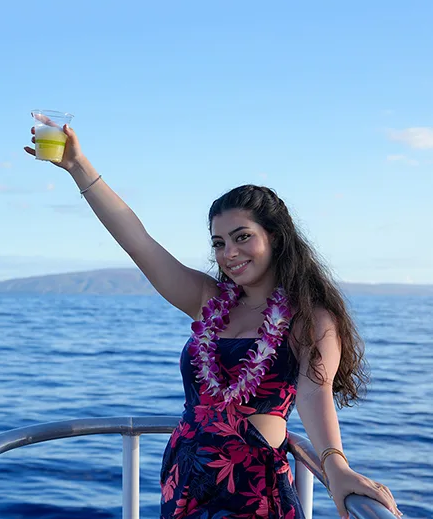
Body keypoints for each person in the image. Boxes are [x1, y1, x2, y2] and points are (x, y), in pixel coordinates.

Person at [25, 124, 401, 519]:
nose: (229, 253)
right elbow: (139, 241)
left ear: (275, 237)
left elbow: (314, 394)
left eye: (242, 237)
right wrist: (78, 166)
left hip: (250, 489)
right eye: (219, 243)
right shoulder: (208, 301)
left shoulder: (309, 317)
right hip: (185, 479)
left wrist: (335, 465)